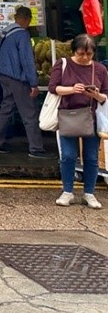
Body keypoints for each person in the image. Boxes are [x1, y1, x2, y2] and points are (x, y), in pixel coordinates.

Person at [48, 33, 108, 209]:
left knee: (91, 157)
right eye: (81, 53)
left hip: (92, 116)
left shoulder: (100, 70)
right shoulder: (63, 64)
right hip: (68, 115)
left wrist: (95, 94)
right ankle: (67, 191)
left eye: (89, 54)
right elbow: (53, 88)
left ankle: (89, 193)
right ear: (74, 50)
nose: (84, 57)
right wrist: (72, 89)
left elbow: (105, 95)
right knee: (67, 155)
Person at [0, 6, 47, 158]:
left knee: (6, 110)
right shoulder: (22, 35)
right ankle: (36, 149)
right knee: (29, 113)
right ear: (27, 19)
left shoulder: (6, 32)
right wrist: (33, 83)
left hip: (4, 76)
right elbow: (27, 60)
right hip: (18, 78)